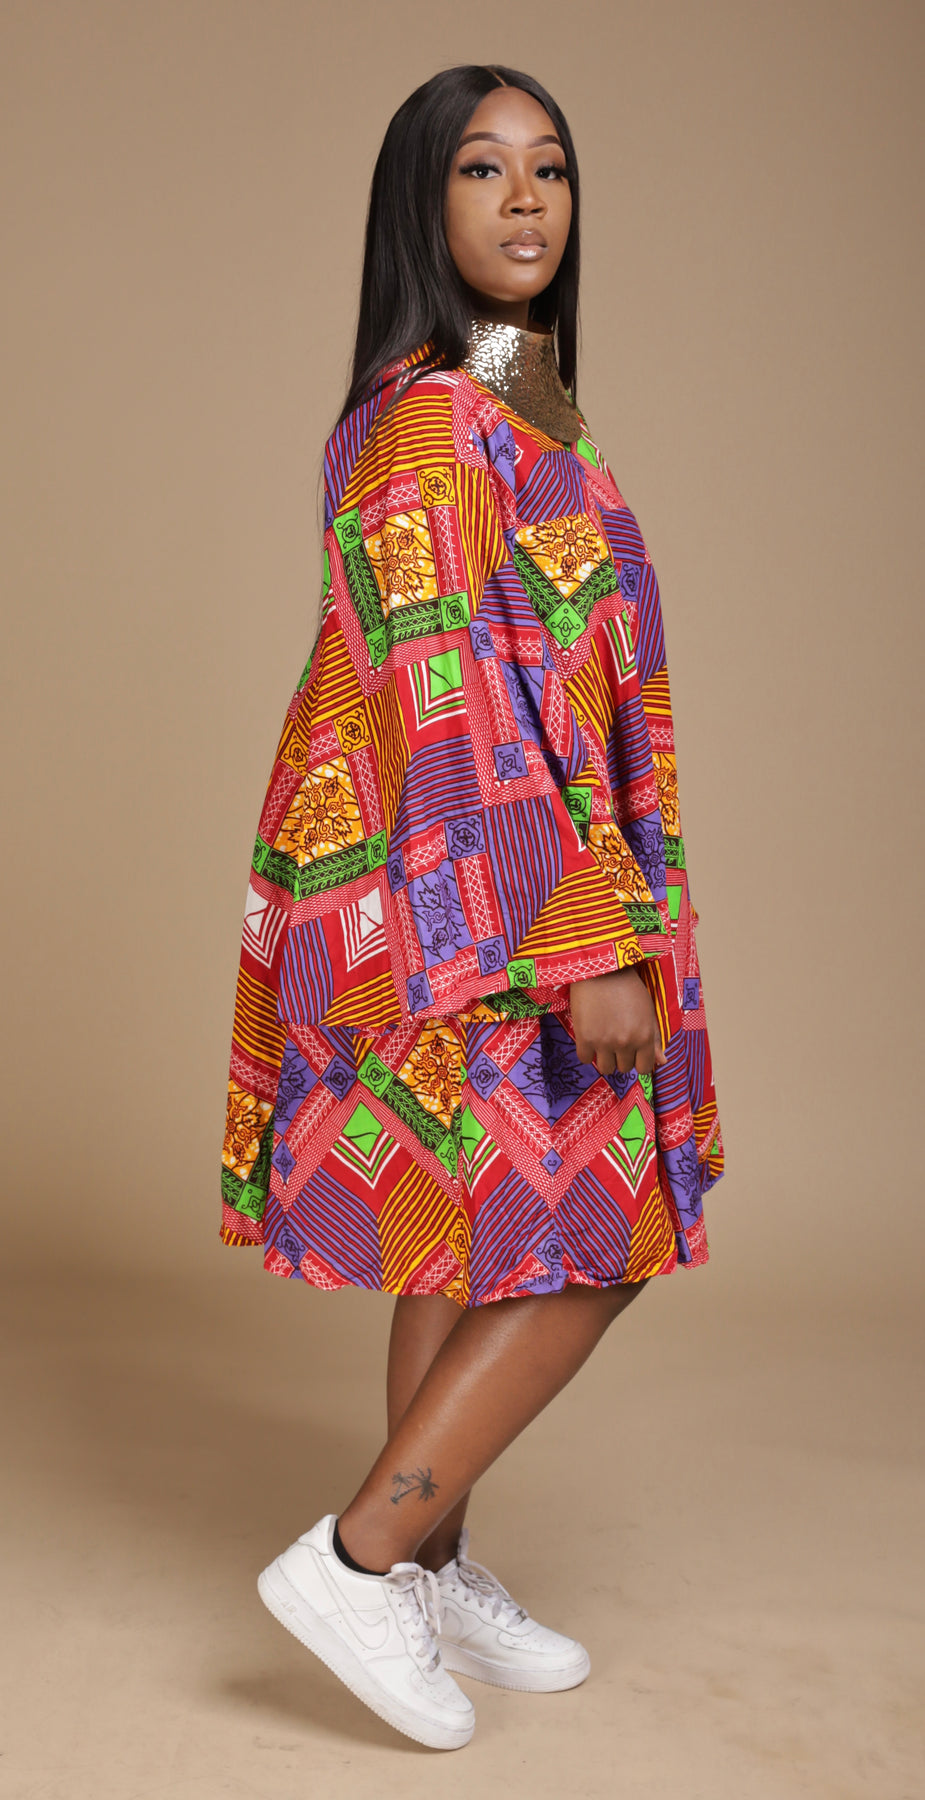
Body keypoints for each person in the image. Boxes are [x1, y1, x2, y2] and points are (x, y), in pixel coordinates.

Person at [219, 64, 725, 1751]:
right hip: (469, 896)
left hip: (474, 879)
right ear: (418, 206)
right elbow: (452, 696)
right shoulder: (433, 419)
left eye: (550, 170)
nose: (524, 200)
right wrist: (585, 941)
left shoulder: (515, 403)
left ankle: (427, 1565)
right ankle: (360, 1559)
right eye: (482, 169)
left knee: (467, 1222)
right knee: (598, 1228)